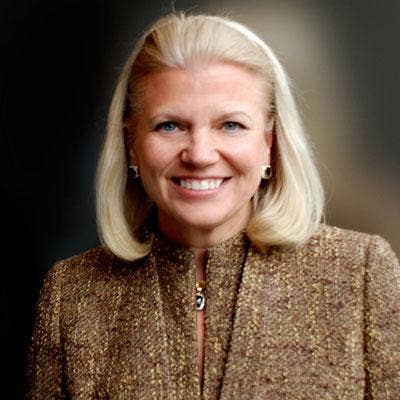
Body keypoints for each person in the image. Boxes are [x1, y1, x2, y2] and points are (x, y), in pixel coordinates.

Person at [26, 12, 399, 399]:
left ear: (269, 144)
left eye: (231, 125)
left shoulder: (361, 275)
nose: (200, 155)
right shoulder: (72, 295)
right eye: (170, 125)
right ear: (132, 144)